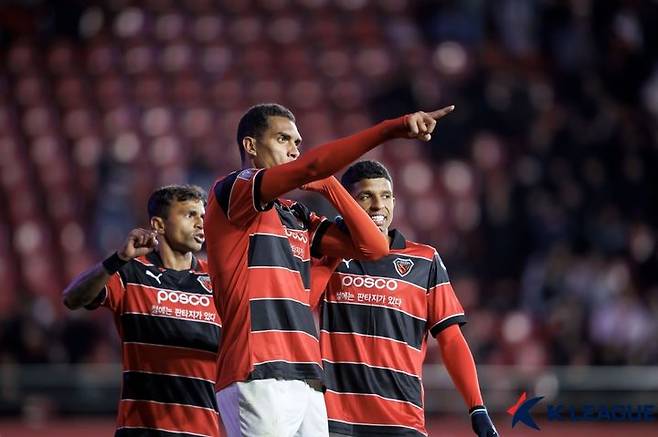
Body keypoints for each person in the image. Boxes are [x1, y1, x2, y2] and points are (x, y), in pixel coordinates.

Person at [205, 103, 454, 437]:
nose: (294, 149)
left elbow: (373, 248)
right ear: (251, 146)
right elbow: (313, 165)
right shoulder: (232, 190)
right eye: (283, 139)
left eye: (297, 143)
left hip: (307, 376)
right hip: (257, 370)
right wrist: (389, 129)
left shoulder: (295, 214)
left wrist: (331, 186)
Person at [315, 160, 498, 437]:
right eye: (365, 196)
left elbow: (450, 339)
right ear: (346, 203)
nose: (378, 206)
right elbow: (303, 303)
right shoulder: (328, 256)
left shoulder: (425, 260)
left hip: (403, 421)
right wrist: (336, 248)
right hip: (337, 422)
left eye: (386, 196)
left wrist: (477, 407)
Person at [62, 185, 224, 437]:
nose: (200, 223)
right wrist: (117, 259)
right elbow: (72, 299)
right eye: (189, 215)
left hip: (202, 432)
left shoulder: (217, 279)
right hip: (140, 432)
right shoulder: (131, 272)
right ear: (158, 225)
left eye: (202, 216)